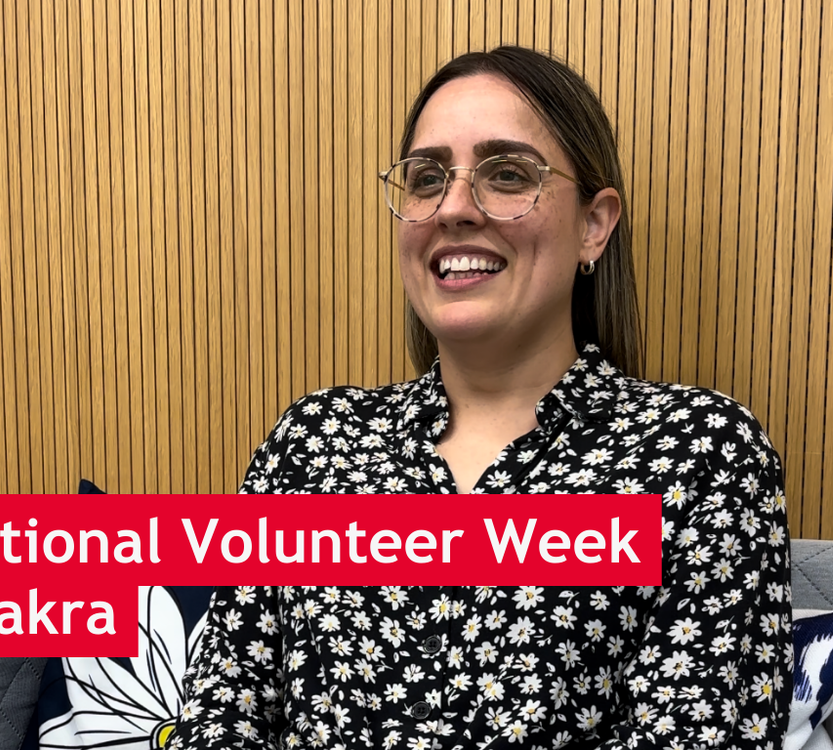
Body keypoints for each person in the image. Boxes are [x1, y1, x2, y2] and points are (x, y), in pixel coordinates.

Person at [170, 47, 790, 750]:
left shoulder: (699, 453)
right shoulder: (312, 445)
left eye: (506, 174)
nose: (454, 208)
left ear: (595, 224)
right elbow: (222, 719)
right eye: (427, 178)